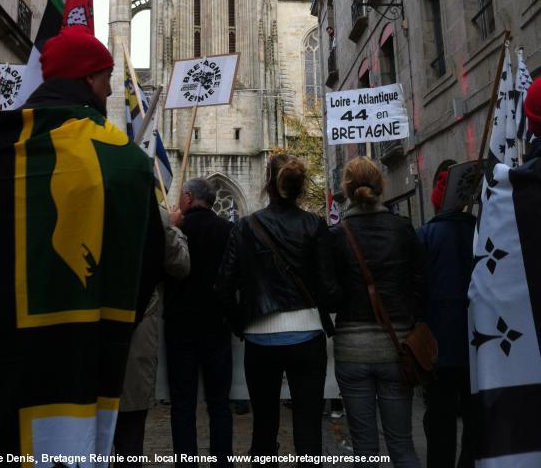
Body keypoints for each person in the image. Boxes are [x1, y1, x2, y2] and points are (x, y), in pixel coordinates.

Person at [0, 25, 165, 458]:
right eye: (105, 78)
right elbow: (147, 266)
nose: (106, 90)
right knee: (69, 446)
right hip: (80, 355)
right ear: (89, 80)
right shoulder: (121, 159)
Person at [216, 153, 338, 457]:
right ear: (300, 187)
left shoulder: (244, 227)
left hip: (260, 338)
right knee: (308, 427)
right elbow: (329, 289)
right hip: (307, 336)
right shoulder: (315, 225)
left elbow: (223, 288)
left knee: (264, 427)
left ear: (267, 184)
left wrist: (242, 325)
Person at [328, 156, 426, 466]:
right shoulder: (402, 229)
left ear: (346, 188)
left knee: (364, 448)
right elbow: (421, 285)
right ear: (380, 185)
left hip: (352, 351)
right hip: (397, 348)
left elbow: (329, 295)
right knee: (401, 444)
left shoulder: (336, 236)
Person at [163, 177, 234, 467]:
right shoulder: (228, 230)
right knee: (219, 404)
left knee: (182, 405)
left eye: (181, 197)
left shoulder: (176, 230)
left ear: (189, 199)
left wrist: (171, 229)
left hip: (180, 329)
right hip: (216, 327)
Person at [115, 206, 190, 458]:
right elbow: (180, 264)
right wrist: (175, 228)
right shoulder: (151, 209)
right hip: (135, 327)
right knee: (130, 433)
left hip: (84, 335)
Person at [417, 160, 475, 468]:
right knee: (475, 422)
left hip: (437, 348)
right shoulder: (482, 231)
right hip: (478, 345)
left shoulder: (425, 236)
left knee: (440, 424)